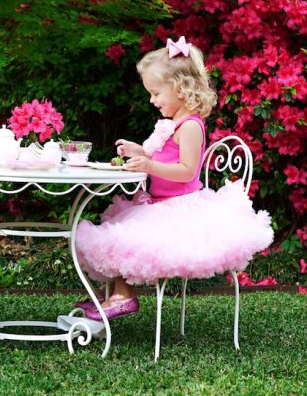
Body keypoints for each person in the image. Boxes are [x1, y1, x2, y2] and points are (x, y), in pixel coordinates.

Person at [75, 37, 274, 321]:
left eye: (156, 93)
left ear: (180, 89)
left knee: (130, 237)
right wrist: (140, 152)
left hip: (180, 207)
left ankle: (123, 297)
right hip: (159, 202)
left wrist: (150, 165)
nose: (152, 100)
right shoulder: (172, 125)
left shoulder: (191, 126)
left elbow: (187, 171)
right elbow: (163, 157)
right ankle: (111, 296)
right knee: (117, 230)